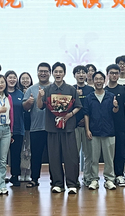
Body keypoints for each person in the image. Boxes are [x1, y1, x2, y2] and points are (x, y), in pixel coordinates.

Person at [37, 62, 82, 194]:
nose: (58, 74)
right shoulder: (47, 90)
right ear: (52, 73)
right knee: (54, 157)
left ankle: (72, 183)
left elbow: (78, 106)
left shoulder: (71, 89)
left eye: (60, 72)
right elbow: (40, 106)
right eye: (56, 72)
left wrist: (69, 115)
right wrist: (40, 96)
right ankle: (57, 183)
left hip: (68, 128)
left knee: (71, 156)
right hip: (52, 128)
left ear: (64, 73)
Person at [84, 71, 120, 190]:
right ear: (93, 81)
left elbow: (115, 111)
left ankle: (109, 179)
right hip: (94, 132)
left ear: (104, 81)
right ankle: (94, 179)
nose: (98, 81)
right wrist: (87, 129)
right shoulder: (89, 97)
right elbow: (86, 114)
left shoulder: (110, 96)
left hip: (109, 131)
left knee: (109, 158)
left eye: (101, 79)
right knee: (93, 158)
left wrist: (116, 106)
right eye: (96, 79)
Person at [23, 63, 52, 188]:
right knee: (35, 155)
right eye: (41, 71)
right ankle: (34, 178)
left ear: (50, 73)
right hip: (36, 127)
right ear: (37, 72)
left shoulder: (54, 87)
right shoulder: (31, 89)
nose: (43, 73)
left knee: (53, 156)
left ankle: (55, 180)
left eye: (46, 71)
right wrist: (29, 102)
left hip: (52, 128)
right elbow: (24, 107)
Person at [106, 63, 125, 186]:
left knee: (120, 151)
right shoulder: (104, 90)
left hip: (121, 125)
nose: (114, 75)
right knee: (109, 152)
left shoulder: (123, 89)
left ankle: (119, 174)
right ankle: (110, 175)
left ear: (119, 75)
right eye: (112, 73)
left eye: (116, 73)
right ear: (107, 75)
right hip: (107, 126)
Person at [73, 65, 94, 187]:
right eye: (78, 72)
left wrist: (87, 123)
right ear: (74, 75)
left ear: (87, 75)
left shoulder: (91, 90)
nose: (81, 75)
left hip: (87, 126)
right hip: (74, 127)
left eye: (83, 72)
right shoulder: (70, 89)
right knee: (74, 154)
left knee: (88, 154)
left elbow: (92, 108)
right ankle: (74, 179)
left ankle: (88, 177)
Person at [6, 70, 25, 187]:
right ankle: (0, 176)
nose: (12, 80)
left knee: (16, 154)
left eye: (14, 77)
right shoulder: (1, 94)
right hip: (3, 129)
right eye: (10, 77)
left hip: (18, 128)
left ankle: (15, 176)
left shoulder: (20, 94)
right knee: (1, 155)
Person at [18, 72, 33, 182]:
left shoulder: (33, 91)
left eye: (27, 78)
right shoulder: (17, 93)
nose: (25, 80)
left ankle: (28, 172)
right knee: (20, 151)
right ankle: (21, 172)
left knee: (29, 151)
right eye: (23, 78)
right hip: (19, 126)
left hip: (31, 125)